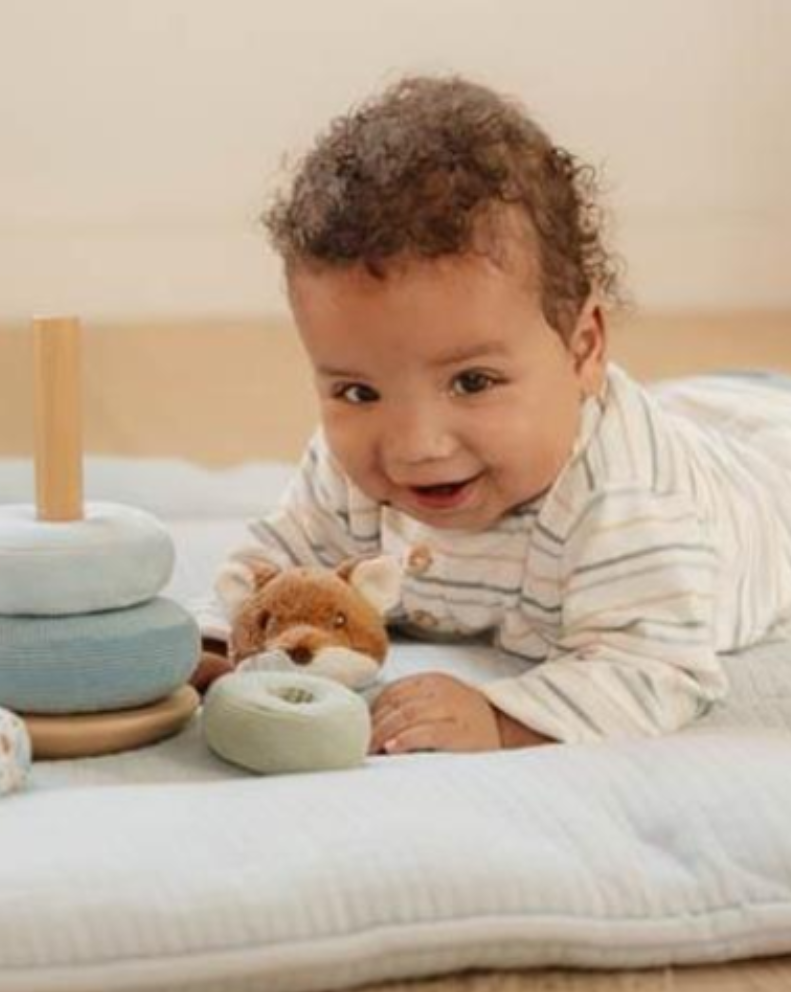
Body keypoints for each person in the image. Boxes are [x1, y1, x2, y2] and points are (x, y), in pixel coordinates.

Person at [192, 75, 791, 753]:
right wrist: (220, 639)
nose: (416, 445)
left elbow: (655, 671)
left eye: (472, 381)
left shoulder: (626, 505)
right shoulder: (351, 468)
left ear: (583, 347)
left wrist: (501, 719)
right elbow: (281, 564)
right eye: (358, 392)